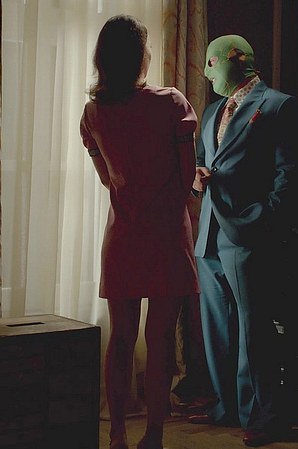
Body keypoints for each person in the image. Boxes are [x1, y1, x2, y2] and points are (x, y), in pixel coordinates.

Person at [79, 14, 200, 449]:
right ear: (140, 57)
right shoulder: (171, 104)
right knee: (160, 338)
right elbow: (186, 176)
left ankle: (116, 435)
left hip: (124, 236)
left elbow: (107, 179)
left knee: (121, 338)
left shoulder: (93, 113)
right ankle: (153, 434)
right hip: (166, 235)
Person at [187, 34, 298, 447]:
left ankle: (264, 415)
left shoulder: (279, 106)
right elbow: (201, 162)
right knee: (218, 328)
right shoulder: (211, 111)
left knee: (255, 331)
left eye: (210, 63)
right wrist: (196, 179)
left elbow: (290, 174)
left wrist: (263, 219)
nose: (206, 73)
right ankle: (229, 407)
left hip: (249, 234)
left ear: (234, 60)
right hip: (209, 235)